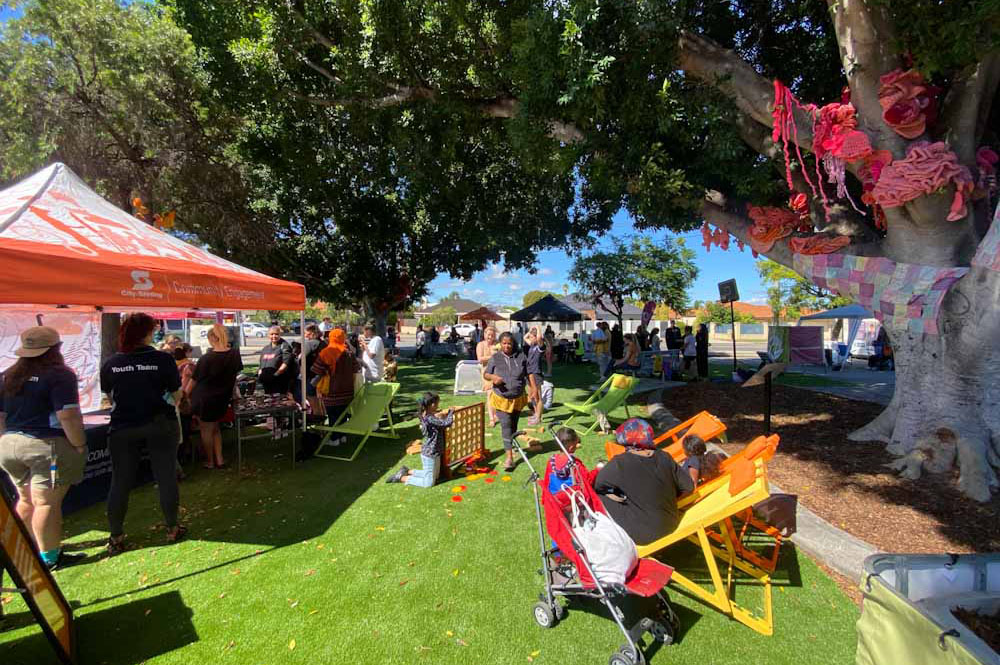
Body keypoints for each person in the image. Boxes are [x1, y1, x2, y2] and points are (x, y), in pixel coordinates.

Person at [0, 326, 87, 570]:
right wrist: (79, 444)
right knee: (46, 503)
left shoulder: (8, 375)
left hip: (9, 445)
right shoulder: (60, 375)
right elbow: (68, 416)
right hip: (44, 445)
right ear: (56, 349)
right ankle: (49, 558)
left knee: (25, 500)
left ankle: (22, 552)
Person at [100, 313, 186, 554]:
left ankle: (116, 536)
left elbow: (109, 396)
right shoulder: (162, 359)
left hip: (123, 428)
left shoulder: (112, 362)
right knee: (166, 476)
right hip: (160, 425)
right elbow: (177, 395)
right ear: (146, 333)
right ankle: (172, 527)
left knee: (120, 481)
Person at [593, 418, 694, 546]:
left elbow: (598, 486)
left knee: (600, 497)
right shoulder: (664, 456)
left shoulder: (619, 464)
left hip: (642, 535)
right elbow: (688, 487)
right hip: (670, 523)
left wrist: (619, 496)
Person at [188, 324, 243, 469]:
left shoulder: (207, 358)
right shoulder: (234, 354)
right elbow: (234, 376)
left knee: (206, 430)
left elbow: (194, 380)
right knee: (216, 428)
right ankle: (220, 459)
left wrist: (184, 395)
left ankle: (210, 461)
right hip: (222, 398)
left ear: (212, 338)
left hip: (204, 398)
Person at [386, 392, 454, 487]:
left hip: (434, 451)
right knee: (428, 483)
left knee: (435, 475)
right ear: (432, 404)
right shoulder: (429, 418)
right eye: (437, 403)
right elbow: (446, 423)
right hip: (430, 453)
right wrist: (450, 412)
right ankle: (401, 477)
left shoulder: (426, 414)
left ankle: (407, 471)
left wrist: (438, 414)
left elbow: (436, 419)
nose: (438, 405)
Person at [483, 332, 529, 472]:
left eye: (509, 343)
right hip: (501, 397)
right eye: (504, 343)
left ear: (513, 344)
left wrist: (533, 391)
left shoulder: (521, 357)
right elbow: (485, 373)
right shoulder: (495, 358)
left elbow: (528, 373)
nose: (507, 346)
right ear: (500, 344)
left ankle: (511, 445)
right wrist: (493, 377)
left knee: (513, 424)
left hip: (518, 398)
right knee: (506, 425)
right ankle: (509, 458)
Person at [312, 329, 361, 427]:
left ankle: (334, 438)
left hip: (331, 391)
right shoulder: (349, 353)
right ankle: (342, 436)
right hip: (347, 390)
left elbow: (317, 370)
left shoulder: (326, 352)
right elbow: (356, 368)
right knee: (343, 414)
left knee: (332, 416)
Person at [258, 326, 294, 394]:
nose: (274, 336)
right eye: (271, 334)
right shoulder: (265, 348)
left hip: (279, 382)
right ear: (268, 335)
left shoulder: (285, 346)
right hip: (266, 381)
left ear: (280, 335)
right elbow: (261, 364)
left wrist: (275, 375)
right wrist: (260, 375)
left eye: (276, 334)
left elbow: (286, 362)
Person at [476, 325, 499, 427]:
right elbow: (480, 359)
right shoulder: (480, 345)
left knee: (497, 393)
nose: (490, 337)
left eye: (492, 335)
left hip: (497, 372)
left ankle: (496, 414)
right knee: (489, 394)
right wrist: (493, 356)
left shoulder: (498, 344)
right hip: (486, 373)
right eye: (488, 335)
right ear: (485, 334)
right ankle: (491, 418)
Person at [525, 331, 544, 426]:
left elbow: (540, 337)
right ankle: (536, 414)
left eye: (532, 337)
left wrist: (537, 327)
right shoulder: (532, 345)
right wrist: (530, 331)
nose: (531, 338)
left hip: (536, 373)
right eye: (531, 337)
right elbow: (525, 337)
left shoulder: (540, 347)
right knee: (532, 396)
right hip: (529, 373)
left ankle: (538, 418)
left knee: (538, 397)